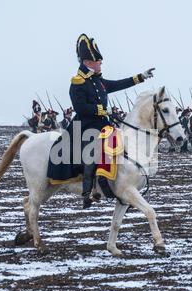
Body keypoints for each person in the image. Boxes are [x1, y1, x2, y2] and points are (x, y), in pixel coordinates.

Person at [70, 33, 155, 209]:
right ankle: (87, 192)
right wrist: (101, 110)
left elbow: (118, 84)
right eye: (98, 62)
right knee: (92, 152)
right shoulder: (78, 82)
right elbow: (80, 107)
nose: (101, 64)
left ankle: (119, 183)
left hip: (103, 125)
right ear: (88, 63)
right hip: (86, 125)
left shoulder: (98, 82)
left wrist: (140, 77)